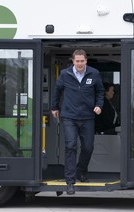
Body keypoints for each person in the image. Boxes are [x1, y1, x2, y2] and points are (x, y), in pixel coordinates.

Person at [51, 49, 104, 195]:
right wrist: (54, 107)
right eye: (77, 61)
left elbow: (100, 91)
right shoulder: (65, 74)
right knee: (71, 146)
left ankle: (81, 171)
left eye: (82, 61)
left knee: (88, 147)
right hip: (69, 116)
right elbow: (57, 90)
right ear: (73, 61)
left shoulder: (94, 73)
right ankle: (70, 181)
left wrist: (99, 105)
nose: (80, 63)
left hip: (87, 117)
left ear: (86, 60)